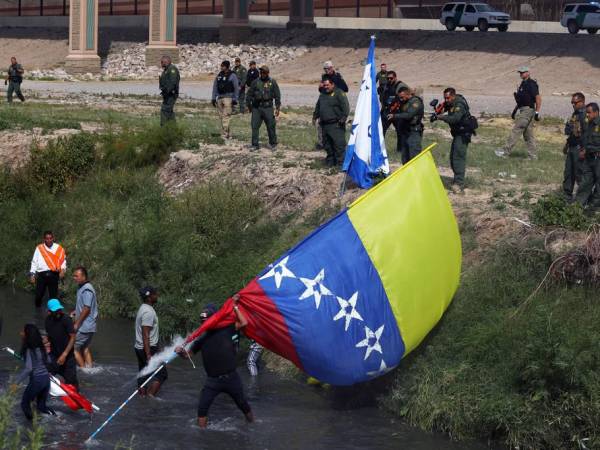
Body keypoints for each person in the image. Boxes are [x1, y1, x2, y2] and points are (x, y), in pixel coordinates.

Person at [177, 295, 253, 428]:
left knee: (243, 405)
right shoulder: (201, 339)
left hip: (231, 378)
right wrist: (181, 353)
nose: (205, 323)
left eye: (207, 319)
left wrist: (234, 306)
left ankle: (253, 424)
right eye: (203, 321)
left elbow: (244, 323)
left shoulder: (228, 328)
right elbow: (188, 355)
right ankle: (202, 436)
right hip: (212, 381)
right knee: (202, 409)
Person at [433, 87, 473, 193]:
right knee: (452, 158)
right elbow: (443, 108)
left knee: (458, 158)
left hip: (463, 133)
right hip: (457, 134)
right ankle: (457, 180)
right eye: (445, 98)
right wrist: (437, 110)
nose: (446, 100)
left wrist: (440, 117)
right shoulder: (450, 102)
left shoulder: (459, 104)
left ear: (453, 96)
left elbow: (455, 118)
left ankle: (459, 184)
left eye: (448, 98)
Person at [496, 66, 541, 159]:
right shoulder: (522, 84)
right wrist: (514, 111)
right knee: (528, 134)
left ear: (528, 73)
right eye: (520, 72)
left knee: (517, 129)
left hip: (528, 110)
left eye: (523, 72)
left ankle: (505, 151)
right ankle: (533, 156)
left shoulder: (531, 84)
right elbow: (521, 100)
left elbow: (538, 98)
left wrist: (537, 112)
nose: (521, 74)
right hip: (523, 109)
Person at [13, 324, 55, 420]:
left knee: (24, 404)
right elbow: (48, 361)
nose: (21, 333)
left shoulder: (29, 350)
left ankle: (32, 428)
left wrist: (16, 383)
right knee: (41, 407)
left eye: (23, 331)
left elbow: (28, 368)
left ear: (28, 335)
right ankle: (58, 418)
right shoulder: (41, 348)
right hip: (46, 380)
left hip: (37, 380)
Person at [134, 286, 167, 396]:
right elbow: (146, 333)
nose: (156, 296)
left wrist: (158, 346)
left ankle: (142, 398)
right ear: (149, 297)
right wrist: (149, 355)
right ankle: (150, 397)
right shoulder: (148, 312)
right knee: (162, 374)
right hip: (148, 349)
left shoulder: (143, 308)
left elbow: (148, 333)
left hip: (140, 347)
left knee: (143, 374)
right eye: (154, 294)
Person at [313, 79, 350, 168]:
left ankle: (340, 164)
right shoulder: (322, 95)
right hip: (325, 125)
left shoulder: (339, 93)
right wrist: (315, 116)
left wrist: (344, 117)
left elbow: (345, 106)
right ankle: (330, 162)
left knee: (338, 145)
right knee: (327, 145)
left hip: (336, 124)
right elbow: (318, 106)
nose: (326, 87)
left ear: (332, 84)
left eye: (327, 85)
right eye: (324, 85)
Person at [45, 298, 78, 389]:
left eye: (59, 309)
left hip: (68, 358)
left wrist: (64, 354)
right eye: (55, 310)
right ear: (49, 311)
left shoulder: (66, 320)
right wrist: (39, 342)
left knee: (72, 384)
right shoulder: (48, 320)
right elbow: (49, 336)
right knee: (43, 374)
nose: (58, 312)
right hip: (54, 355)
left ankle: (77, 400)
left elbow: (73, 337)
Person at [246, 65, 281, 151]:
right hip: (257, 108)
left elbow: (277, 95)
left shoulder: (272, 82)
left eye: (264, 72)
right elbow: (249, 94)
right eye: (261, 72)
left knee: (271, 126)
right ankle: (255, 144)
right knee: (254, 126)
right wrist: (249, 106)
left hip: (268, 107)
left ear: (267, 73)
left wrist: (277, 107)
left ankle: (273, 143)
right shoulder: (255, 82)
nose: (262, 74)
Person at [29, 231, 66, 309]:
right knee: (38, 296)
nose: (49, 240)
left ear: (53, 238)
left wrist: (63, 270)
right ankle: (37, 313)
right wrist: (32, 274)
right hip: (41, 275)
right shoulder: (39, 248)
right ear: (44, 239)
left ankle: (53, 314)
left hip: (53, 275)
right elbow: (34, 262)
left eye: (50, 238)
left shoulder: (58, 248)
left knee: (53, 298)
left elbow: (63, 261)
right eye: (47, 238)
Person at [388, 86, 424, 164]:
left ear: (408, 94)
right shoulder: (403, 102)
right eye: (400, 98)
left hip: (414, 132)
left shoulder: (415, 102)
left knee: (414, 157)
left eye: (402, 97)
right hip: (405, 132)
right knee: (405, 157)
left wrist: (395, 116)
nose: (401, 99)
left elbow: (409, 115)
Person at [562, 93, 587, 202]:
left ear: (582, 102)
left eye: (575, 103)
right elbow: (572, 132)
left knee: (579, 174)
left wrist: (584, 149)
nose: (573, 105)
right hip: (572, 146)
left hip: (579, 148)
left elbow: (588, 134)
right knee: (568, 173)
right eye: (572, 102)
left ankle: (583, 198)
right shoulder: (575, 114)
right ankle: (567, 196)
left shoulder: (586, 114)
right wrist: (567, 145)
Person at [575, 103, 600, 210]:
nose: (587, 115)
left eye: (589, 113)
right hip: (589, 158)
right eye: (586, 113)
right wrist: (584, 150)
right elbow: (587, 140)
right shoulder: (589, 124)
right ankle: (577, 207)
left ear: (596, 112)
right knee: (585, 182)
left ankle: (593, 208)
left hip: (598, 159)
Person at [72, 266, 97, 368]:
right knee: (85, 348)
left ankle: (83, 370)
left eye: (76, 276)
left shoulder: (87, 289)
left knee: (73, 348)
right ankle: (90, 370)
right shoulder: (82, 287)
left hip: (84, 326)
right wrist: (75, 311)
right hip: (89, 326)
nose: (74, 278)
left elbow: (87, 308)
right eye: (74, 276)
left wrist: (77, 323)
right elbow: (83, 306)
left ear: (84, 276)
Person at [211, 60, 240, 140]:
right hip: (220, 98)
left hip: (228, 98)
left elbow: (236, 88)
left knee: (226, 116)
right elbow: (215, 87)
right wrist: (213, 98)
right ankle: (228, 133)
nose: (221, 67)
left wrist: (235, 99)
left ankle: (224, 134)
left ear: (226, 66)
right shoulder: (219, 75)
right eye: (221, 66)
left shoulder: (232, 76)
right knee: (221, 116)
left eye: (223, 66)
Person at [380, 71, 408, 137]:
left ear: (395, 78)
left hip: (397, 113)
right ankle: (380, 147)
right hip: (386, 112)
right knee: (381, 131)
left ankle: (401, 147)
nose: (389, 80)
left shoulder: (400, 85)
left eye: (391, 78)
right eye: (388, 78)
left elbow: (409, 95)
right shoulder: (386, 85)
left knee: (400, 132)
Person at [159, 55, 180, 126]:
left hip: (171, 94)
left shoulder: (172, 69)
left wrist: (167, 91)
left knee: (164, 110)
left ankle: (163, 127)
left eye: (162, 62)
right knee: (169, 112)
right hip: (167, 94)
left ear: (166, 62)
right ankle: (173, 128)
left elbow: (172, 83)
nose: (161, 64)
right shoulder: (167, 70)